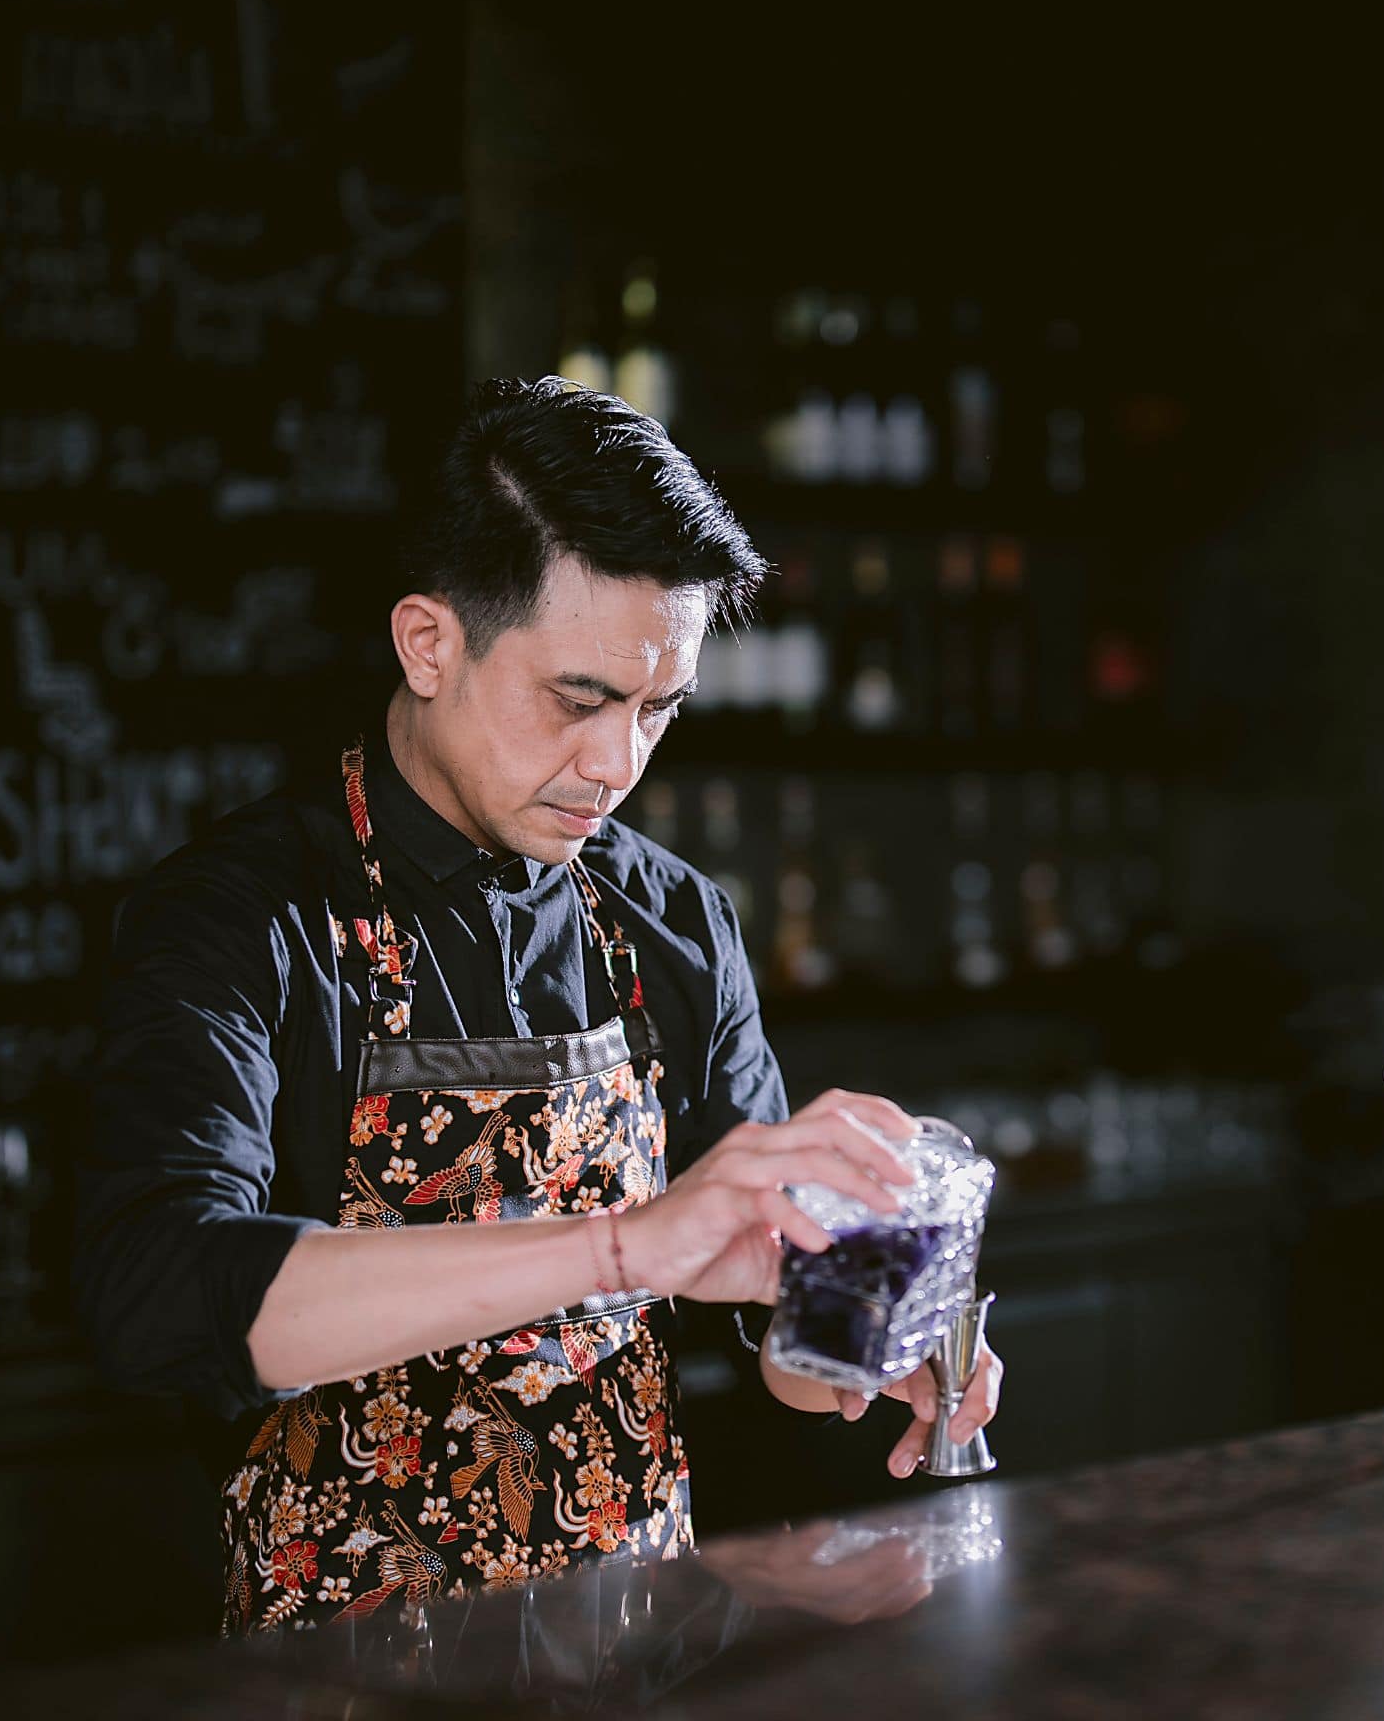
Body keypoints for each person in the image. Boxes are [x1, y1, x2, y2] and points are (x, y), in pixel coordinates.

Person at [73, 376, 1003, 1633]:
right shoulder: (245, 917)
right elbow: (155, 1295)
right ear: (428, 642)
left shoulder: (673, 920)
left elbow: (768, 1307)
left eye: (658, 711)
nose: (615, 767)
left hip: (635, 1649)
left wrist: (860, 1341)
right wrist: (623, 1248)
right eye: (578, 702)